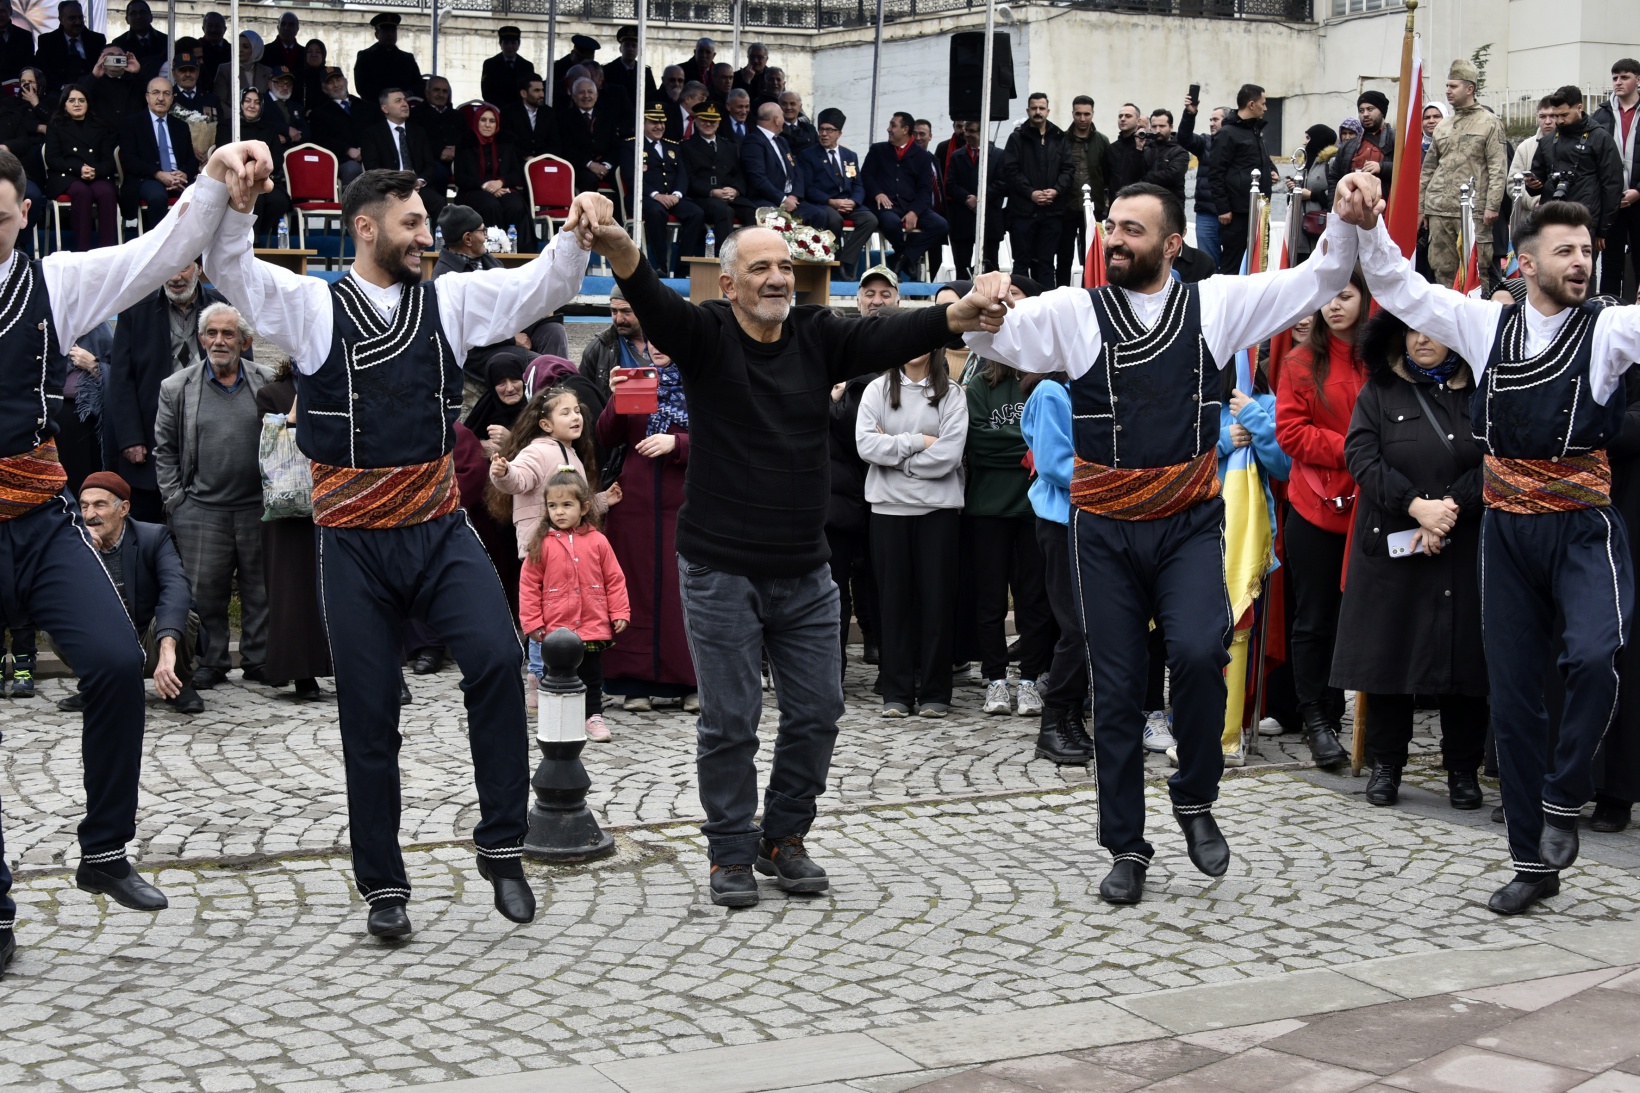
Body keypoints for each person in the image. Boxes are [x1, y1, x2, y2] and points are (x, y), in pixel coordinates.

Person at [203, 170, 607, 939]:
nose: (427, 236)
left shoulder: (447, 302)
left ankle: (501, 846)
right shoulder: (315, 305)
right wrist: (238, 209)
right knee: (369, 711)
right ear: (365, 227)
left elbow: (532, 290)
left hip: (434, 527)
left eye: (427, 225)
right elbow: (239, 277)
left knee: (494, 659)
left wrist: (574, 233)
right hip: (352, 540)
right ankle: (385, 886)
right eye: (413, 224)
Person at [581, 208, 1003, 906]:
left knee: (819, 709)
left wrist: (957, 312)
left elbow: (889, 330)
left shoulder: (817, 334)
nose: (778, 278)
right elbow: (654, 301)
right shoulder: (706, 334)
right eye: (761, 269)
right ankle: (729, 849)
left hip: (806, 568)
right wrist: (622, 244)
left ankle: (784, 835)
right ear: (728, 284)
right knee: (731, 716)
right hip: (720, 567)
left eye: (785, 267)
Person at [966, 181, 1361, 906]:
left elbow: (1321, 277)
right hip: (1105, 531)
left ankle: (1194, 794)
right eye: (1111, 228)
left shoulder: (1216, 306)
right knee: (1114, 692)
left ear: (1171, 244)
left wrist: (1344, 215)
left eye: (1133, 230)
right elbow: (993, 334)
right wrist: (980, 296)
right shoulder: (1074, 310)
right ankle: (1126, 845)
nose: (1115, 240)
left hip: (1185, 522)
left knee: (1201, 653)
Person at [1335, 172, 1640, 916]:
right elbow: (1400, 288)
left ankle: (1567, 792)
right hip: (1505, 530)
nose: (1581, 262)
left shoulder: (1607, 329)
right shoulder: (1482, 324)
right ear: (1526, 263)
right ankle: (1532, 860)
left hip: (1580, 523)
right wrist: (1370, 224)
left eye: (1587, 251)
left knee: (1597, 656)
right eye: (1564, 250)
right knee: (1513, 696)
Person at [0, 139, 265, 976]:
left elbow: (155, 254)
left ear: (22, 215)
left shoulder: (57, 281)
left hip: (40, 517)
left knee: (117, 662)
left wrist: (219, 182)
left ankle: (105, 848)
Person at [1332, 309, 1487, 809]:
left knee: (1463, 665)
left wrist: (1450, 510)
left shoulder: (1477, 391)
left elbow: (1496, 458)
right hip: (1393, 545)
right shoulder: (1379, 391)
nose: (1422, 340)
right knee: (1391, 660)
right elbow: (1361, 456)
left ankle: (1463, 771)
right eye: (1413, 330)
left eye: (1434, 332)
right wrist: (1416, 506)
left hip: (1460, 545)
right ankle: (1386, 766)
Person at [1273, 267, 1370, 771]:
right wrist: (1355, 450)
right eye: (1328, 297)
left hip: (1372, 504)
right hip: (1314, 506)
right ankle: (1315, 717)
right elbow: (1290, 433)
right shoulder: (1299, 362)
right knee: (1313, 619)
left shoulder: (1379, 360)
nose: (1335, 306)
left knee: (1359, 616)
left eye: (1346, 295)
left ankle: (1348, 715)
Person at [152, 301, 272, 688]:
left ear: (244, 340)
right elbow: (165, 451)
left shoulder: (267, 381)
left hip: (258, 508)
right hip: (200, 510)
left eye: (228, 333)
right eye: (212, 333)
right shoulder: (176, 388)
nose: (219, 341)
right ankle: (211, 660)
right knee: (206, 594)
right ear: (202, 338)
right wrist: (177, 503)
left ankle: (259, 659)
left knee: (261, 591)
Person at [857, 339, 970, 714]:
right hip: (888, 512)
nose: (914, 348)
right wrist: (919, 441)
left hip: (937, 512)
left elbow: (949, 456)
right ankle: (897, 693)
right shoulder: (877, 389)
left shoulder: (951, 394)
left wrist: (896, 457)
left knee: (937, 602)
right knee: (894, 604)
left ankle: (936, 693)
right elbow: (865, 445)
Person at [596, 347, 696, 717]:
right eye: (652, 341)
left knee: (681, 594)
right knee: (632, 592)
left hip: (684, 505)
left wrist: (679, 444)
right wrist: (614, 397)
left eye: (666, 341)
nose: (657, 348)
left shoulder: (702, 382)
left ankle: (691, 681)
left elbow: (726, 440)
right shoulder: (640, 382)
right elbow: (606, 437)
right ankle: (634, 682)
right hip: (634, 507)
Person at [56, 472, 203, 716]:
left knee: (184, 615)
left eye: (99, 505)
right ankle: (97, 686)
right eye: (84, 506)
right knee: (56, 619)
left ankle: (180, 683)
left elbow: (176, 588)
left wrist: (167, 649)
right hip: (106, 639)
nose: (90, 515)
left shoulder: (153, 537)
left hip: (148, 638)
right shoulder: (73, 542)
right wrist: (84, 553)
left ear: (123, 508)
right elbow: (61, 596)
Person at [104, 261, 229, 523]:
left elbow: (241, 368)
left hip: (210, 431)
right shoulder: (135, 309)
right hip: (152, 436)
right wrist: (130, 438)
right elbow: (121, 378)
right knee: (148, 525)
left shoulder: (224, 308)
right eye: (168, 268)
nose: (175, 277)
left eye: (183, 268)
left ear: (198, 268)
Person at [965, 346, 1052, 721]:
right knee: (990, 600)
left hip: (1034, 509)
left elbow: (1048, 444)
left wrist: (1015, 441)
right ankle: (995, 678)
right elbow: (977, 445)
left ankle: (1030, 680)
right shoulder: (979, 387)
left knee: (1034, 600)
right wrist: (1025, 444)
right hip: (986, 509)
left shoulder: (1046, 384)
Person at [520, 466, 629, 739]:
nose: (559, 512)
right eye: (553, 505)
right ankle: (555, 721)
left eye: (567, 505)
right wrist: (532, 621)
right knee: (553, 676)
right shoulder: (541, 544)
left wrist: (619, 611)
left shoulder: (598, 541)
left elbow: (614, 579)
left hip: (592, 623)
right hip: (555, 629)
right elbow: (529, 586)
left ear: (584, 508)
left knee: (591, 676)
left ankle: (593, 717)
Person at [1018, 368, 1089, 762]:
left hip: (1089, 519)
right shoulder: (1049, 391)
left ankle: (1071, 718)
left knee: (1088, 628)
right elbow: (1053, 464)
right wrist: (1114, 478)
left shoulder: (1081, 385)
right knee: (1077, 629)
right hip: (1062, 522)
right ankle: (1053, 723)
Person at [256, 359, 329, 700]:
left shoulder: (339, 385)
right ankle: (301, 674)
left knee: (339, 588)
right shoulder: (272, 393)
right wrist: (303, 399)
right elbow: (277, 437)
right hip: (288, 506)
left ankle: (351, 669)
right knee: (292, 593)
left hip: (333, 500)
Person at [1421, 60, 1507, 289]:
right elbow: (1428, 168)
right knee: (1442, 271)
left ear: (1470, 89)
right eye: (1447, 85)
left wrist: (1492, 205)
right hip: (1439, 208)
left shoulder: (1489, 123)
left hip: (1472, 210)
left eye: (1454, 86)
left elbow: (1498, 167)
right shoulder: (1443, 125)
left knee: (1477, 271)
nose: (1448, 90)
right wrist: (1422, 208)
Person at [1530, 86, 1625, 253]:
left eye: (1564, 115)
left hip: (1586, 222)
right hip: (1551, 219)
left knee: (1583, 273)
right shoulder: (1547, 142)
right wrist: (1532, 184)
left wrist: (1603, 228)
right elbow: (1536, 180)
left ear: (1579, 107)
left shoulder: (1600, 138)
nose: (1558, 121)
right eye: (1555, 115)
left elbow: (1612, 186)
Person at [862, 111, 948, 277]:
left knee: (940, 225)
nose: (889, 129)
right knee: (890, 222)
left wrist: (914, 212)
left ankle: (902, 258)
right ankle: (906, 257)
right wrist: (878, 193)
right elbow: (866, 176)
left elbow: (925, 189)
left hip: (911, 205)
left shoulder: (922, 156)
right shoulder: (878, 150)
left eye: (893, 125)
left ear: (905, 129)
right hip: (887, 207)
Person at [622, 106, 704, 277]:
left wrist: (677, 195)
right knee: (656, 212)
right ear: (642, 123)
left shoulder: (672, 146)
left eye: (661, 122)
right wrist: (656, 195)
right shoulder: (633, 145)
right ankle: (661, 266)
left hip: (672, 198)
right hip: (644, 198)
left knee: (696, 213)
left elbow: (683, 174)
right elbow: (631, 177)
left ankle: (683, 267)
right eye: (653, 122)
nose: (659, 126)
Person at [795, 107, 877, 273]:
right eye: (822, 130)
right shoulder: (807, 155)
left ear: (838, 133)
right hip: (824, 203)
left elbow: (858, 184)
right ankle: (832, 258)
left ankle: (846, 261)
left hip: (847, 202)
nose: (824, 134)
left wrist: (853, 201)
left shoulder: (849, 155)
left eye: (829, 130)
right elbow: (808, 187)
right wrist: (831, 201)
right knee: (834, 219)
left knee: (870, 220)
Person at [1002, 92, 1073, 286]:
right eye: (1034, 108)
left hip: (1052, 211)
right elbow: (1010, 170)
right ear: (1028, 111)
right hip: (1023, 211)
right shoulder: (1017, 138)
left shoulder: (1060, 137)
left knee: (1047, 262)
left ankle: (1046, 307)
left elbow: (1068, 169)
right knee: (1022, 262)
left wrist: (1056, 190)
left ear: (1048, 111)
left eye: (1041, 108)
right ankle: (1020, 307)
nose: (1038, 112)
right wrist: (1031, 193)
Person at [1210, 83, 1277, 274]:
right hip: (1237, 213)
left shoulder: (1256, 131)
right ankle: (1229, 303)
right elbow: (1216, 173)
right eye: (1263, 103)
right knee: (1232, 264)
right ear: (1251, 104)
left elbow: (1256, 160)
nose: (1265, 108)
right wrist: (1223, 208)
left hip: (1260, 211)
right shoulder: (1227, 133)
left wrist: (1270, 171)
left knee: (1259, 262)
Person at [116, 76, 196, 232]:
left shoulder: (180, 126)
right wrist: (158, 174)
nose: (161, 98)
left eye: (166, 93)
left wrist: (184, 173)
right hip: (146, 178)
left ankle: (194, 251)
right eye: (155, 93)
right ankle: (157, 249)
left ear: (172, 98)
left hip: (178, 178)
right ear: (147, 97)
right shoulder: (132, 123)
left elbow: (191, 160)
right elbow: (129, 160)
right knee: (158, 197)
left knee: (204, 196)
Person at [43, 84, 118, 249]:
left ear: (88, 104)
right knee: (82, 192)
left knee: (106, 192)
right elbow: (52, 159)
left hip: (95, 175)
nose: (77, 104)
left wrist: (95, 171)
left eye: (81, 100)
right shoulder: (56, 126)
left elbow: (108, 162)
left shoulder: (100, 126)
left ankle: (108, 251)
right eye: (72, 100)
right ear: (64, 104)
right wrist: (78, 169)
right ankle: (82, 252)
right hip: (66, 176)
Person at [361, 88, 444, 227]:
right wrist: (397, 183)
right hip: (387, 189)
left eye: (405, 100)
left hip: (417, 188)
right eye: (398, 101)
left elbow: (430, 164)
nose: (405, 104)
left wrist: (420, 182)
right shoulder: (372, 134)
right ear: (385, 108)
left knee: (439, 202)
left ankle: (439, 245)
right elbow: (372, 167)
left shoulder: (418, 132)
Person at [454, 103, 531, 251]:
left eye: (492, 121)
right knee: (491, 205)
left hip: (502, 187)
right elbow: (461, 178)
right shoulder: (465, 142)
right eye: (483, 120)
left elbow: (516, 173)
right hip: (474, 189)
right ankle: (490, 248)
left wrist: (500, 182)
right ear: (477, 121)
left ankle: (516, 250)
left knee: (515, 205)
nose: (487, 125)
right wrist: (487, 186)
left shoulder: (506, 142)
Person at [1593, 59, 1640, 301]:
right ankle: (1608, 314)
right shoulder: (1601, 114)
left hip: (1638, 199)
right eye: (1615, 78)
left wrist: (1638, 191)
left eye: (1625, 77)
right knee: (1609, 264)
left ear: (1638, 80)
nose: (1618, 82)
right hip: (1610, 202)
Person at [216, 87, 290, 239]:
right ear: (240, 104)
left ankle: (262, 237)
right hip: (234, 177)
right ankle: (250, 239)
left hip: (263, 177)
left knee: (279, 200)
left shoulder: (269, 129)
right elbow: (223, 152)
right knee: (256, 195)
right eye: (247, 101)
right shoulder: (227, 126)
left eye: (256, 102)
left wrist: (258, 171)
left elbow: (277, 158)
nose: (252, 106)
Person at [681, 101, 755, 248]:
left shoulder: (730, 146)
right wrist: (712, 191)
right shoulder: (686, 147)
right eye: (704, 120)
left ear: (719, 122)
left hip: (729, 195)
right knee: (724, 211)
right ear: (696, 121)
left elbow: (740, 175)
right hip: (703, 197)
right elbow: (688, 178)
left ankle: (749, 256)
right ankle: (725, 259)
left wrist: (735, 190)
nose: (708, 124)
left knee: (753, 211)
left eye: (713, 121)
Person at [741, 101, 825, 227]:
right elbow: (758, 178)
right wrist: (783, 199)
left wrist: (794, 196)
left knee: (819, 215)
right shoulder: (753, 142)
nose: (783, 119)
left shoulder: (781, 141)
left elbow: (796, 170)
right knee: (780, 221)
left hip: (790, 199)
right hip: (767, 200)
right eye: (781, 115)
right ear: (776, 120)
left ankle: (811, 247)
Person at [1056, 95, 1110, 286]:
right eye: (1078, 113)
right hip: (1066, 206)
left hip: (1093, 208)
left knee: (1091, 254)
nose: (1082, 118)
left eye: (1086, 114)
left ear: (1092, 114)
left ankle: (1089, 293)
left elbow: (1108, 174)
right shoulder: (1061, 140)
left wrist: (1105, 204)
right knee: (1064, 255)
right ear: (1072, 113)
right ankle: (1061, 292)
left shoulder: (1102, 142)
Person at [945, 119, 1005, 280]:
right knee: (962, 266)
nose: (967, 135)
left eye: (971, 131)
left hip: (989, 217)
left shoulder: (998, 155)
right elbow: (950, 183)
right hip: (962, 218)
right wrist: (967, 198)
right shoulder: (957, 156)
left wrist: (980, 199)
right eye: (966, 130)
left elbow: (1002, 183)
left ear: (982, 132)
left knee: (991, 265)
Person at [1176, 97, 1224, 265]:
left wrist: (1272, 170)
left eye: (1216, 119)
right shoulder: (1205, 142)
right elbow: (1184, 138)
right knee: (1208, 261)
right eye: (1210, 119)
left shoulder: (1239, 142)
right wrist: (1190, 113)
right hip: (1207, 213)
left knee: (1233, 262)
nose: (1211, 123)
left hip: (1232, 213)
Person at [580, 285, 644, 399]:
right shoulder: (597, 350)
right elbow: (583, 400)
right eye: (614, 311)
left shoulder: (669, 346)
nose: (619, 319)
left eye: (626, 311)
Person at [1328, 90, 1394, 198]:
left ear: (1382, 111)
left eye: (1370, 109)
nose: (1365, 114)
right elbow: (1334, 178)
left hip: (1384, 209)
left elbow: (1411, 170)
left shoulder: (1397, 139)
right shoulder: (1348, 145)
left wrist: (1382, 167)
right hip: (1350, 209)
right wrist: (1334, 207)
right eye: (1361, 110)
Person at [1288, 124, 1338, 262]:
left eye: (1308, 138)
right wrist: (1293, 188)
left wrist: (1311, 195)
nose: (1304, 142)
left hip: (1320, 231)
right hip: (1300, 234)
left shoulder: (1331, 163)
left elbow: (1336, 194)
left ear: (1318, 139)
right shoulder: (1304, 163)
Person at [559, 78, 617, 193]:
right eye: (581, 92)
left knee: (627, 178)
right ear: (573, 96)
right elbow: (566, 148)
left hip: (606, 167)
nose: (586, 96)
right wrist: (590, 164)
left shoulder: (607, 117)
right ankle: (589, 211)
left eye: (590, 92)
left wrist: (606, 166)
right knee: (589, 180)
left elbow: (615, 146)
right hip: (580, 167)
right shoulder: (564, 118)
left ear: (596, 95)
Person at [308, 68, 366, 184]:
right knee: (352, 169)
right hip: (342, 160)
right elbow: (321, 140)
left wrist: (366, 150)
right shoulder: (319, 113)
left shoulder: (366, 107)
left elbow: (377, 132)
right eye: (330, 82)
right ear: (324, 89)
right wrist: (347, 149)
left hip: (370, 155)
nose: (336, 85)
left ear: (345, 81)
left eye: (338, 80)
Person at [352, 13, 421, 110]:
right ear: (377, 34)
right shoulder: (365, 57)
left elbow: (418, 84)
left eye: (393, 31)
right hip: (375, 110)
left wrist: (408, 93)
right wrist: (387, 99)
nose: (390, 34)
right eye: (385, 31)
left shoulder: (407, 58)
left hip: (403, 109)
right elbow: (362, 88)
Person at [34, 1, 105, 92]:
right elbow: (43, 71)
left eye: (80, 17)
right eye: (72, 18)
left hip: (91, 90)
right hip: (59, 93)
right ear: (61, 19)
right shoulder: (47, 41)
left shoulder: (97, 40)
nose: (78, 22)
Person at [409, 74, 460, 195]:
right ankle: (439, 209)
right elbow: (415, 142)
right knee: (438, 173)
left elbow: (467, 138)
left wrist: (456, 150)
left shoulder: (458, 115)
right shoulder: (415, 115)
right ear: (427, 93)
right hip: (430, 160)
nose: (441, 94)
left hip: (457, 159)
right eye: (436, 90)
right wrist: (440, 152)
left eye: (444, 91)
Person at [1510, 98, 1559, 219]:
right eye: (1542, 116)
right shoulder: (1525, 147)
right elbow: (1512, 184)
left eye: (1552, 116)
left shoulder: (1570, 144)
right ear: (1537, 116)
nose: (1548, 121)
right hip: (1532, 218)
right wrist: (1535, 201)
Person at [482, 26, 539, 111]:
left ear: (518, 44)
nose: (509, 46)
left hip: (519, 112)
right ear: (500, 44)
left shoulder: (527, 66)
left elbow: (529, 91)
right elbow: (487, 92)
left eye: (513, 43)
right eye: (506, 43)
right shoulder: (490, 64)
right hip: (497, 111)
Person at [1142, 109, 1189, 205]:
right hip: (1146, 203)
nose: (1157, 130)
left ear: (1171, 127)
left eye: (1162, 126)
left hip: (1170, 206)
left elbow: (1171, 176)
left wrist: (1144, 178)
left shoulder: (1180, 150)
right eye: (1154, 126)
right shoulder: (1145, 147)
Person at [212, 29, 270, 106]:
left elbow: (271, 102)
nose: (240, 50)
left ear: (256, 49)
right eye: (237, 46)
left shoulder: (267, 72)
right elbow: (219, 102)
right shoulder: (225, 70)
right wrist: (238, 116)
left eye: (245, 47)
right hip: (232, 117)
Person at [111, 1, 167, 79]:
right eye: (133, 13)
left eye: (142, 12)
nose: (138, 17)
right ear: (127, 19)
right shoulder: (118, 44)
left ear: (151, 17)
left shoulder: (166, 41)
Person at [1102, 104, 1146, 200]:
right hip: (1116, 202)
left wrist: (1139, 149)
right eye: (1120, 116)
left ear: (1138, 121)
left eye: (1128, 116)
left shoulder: (1147, 146)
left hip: (1139, 201)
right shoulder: (1112, 148)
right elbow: (1106, 177)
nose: (1123, 119)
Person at [552, 33, 599, 100]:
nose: (585, 64)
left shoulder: (593, 67)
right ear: (573, 54)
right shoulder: (559, 67)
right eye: (582, 59)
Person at [265, 12, 304, 76]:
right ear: (278, 28)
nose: (286, 28)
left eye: (291, 25)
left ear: (297, 29)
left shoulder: (305, 54)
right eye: (283, 24)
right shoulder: (265, 51)